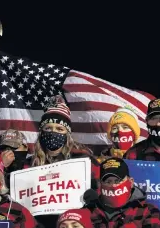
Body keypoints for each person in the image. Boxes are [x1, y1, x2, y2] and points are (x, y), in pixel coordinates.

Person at [30, 95, 100, 228]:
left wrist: (95, 197)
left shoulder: (83, 160)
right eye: (48, 128)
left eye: (59, 129)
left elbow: (102, 189)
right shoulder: (30, 164)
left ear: (67, 133)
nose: (53, 132)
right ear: (41, 132)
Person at [86, 157, 160, 228]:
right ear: (100, 185)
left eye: (118, 181)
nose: (113, 185)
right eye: (108, 181)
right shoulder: (88, 212)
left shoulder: (148, 212)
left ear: (131, 182)